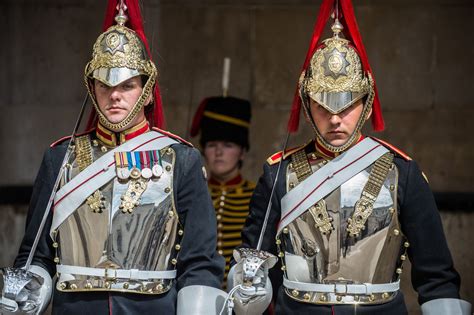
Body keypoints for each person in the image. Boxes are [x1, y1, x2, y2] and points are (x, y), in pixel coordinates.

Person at [228, 0, 471, 314]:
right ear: (307, 105)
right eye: (323, 106)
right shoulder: (278, 173)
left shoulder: (402, 172)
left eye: (346, 105)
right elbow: (253, 260)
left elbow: (436, 276)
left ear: (365, 103)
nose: (334, 118)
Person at [2, 1, 224, 314]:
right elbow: (36, 254)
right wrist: (28, 293)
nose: (114, 95)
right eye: (105, 85)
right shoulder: (60, 158)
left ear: (146, 92)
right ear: (92, 88)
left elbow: (199, 261)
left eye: (127, 85)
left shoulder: (181, 159)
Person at [190, 96, 255, 288]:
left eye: (228, 145)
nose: (219, 152)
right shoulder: (193, 193)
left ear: (242, 152)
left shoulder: (256, 195)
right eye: (211, 145)